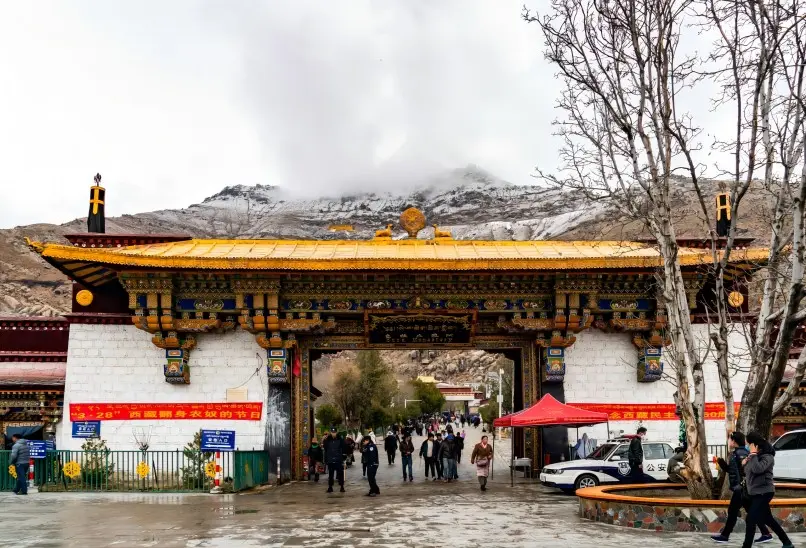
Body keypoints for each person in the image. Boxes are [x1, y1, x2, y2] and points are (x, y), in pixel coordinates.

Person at [711, 431, 772, 544]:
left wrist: (740, 486)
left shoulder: (741, 454)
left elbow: (744, 471)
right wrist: (721, 462)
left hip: (741, 489)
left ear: (734, 441)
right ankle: (766, 533)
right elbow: (732, 470)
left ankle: (725, 535)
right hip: (742, 488)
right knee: (751, 511)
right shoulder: (738, 453)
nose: (728, 441)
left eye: (730, 439)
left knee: (733, 511)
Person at [735, 432, 793, 548]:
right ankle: (787, 543)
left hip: (764, 492)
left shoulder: (768, 457)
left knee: (751, 519)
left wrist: (753, 455)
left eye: (748, 444)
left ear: (754, 444)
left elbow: (758, 469)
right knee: (768, 519)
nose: (747, 446)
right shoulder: (753, 456)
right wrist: (743, 463)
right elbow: (747, 473)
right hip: (755, 493)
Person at [323, 427, 347, 493]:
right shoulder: (327, 440)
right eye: (332, 432)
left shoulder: (340, 439)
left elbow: (344, 448)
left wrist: (343, 457)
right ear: (330, 432)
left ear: (336, 432)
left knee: (340, 474)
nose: (333, 433)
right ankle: (330, 487)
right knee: (330, 474)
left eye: (334, 432)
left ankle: (342, 486)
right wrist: (326, 459)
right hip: (330, 459)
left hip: (338, 459)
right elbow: (325, 449)